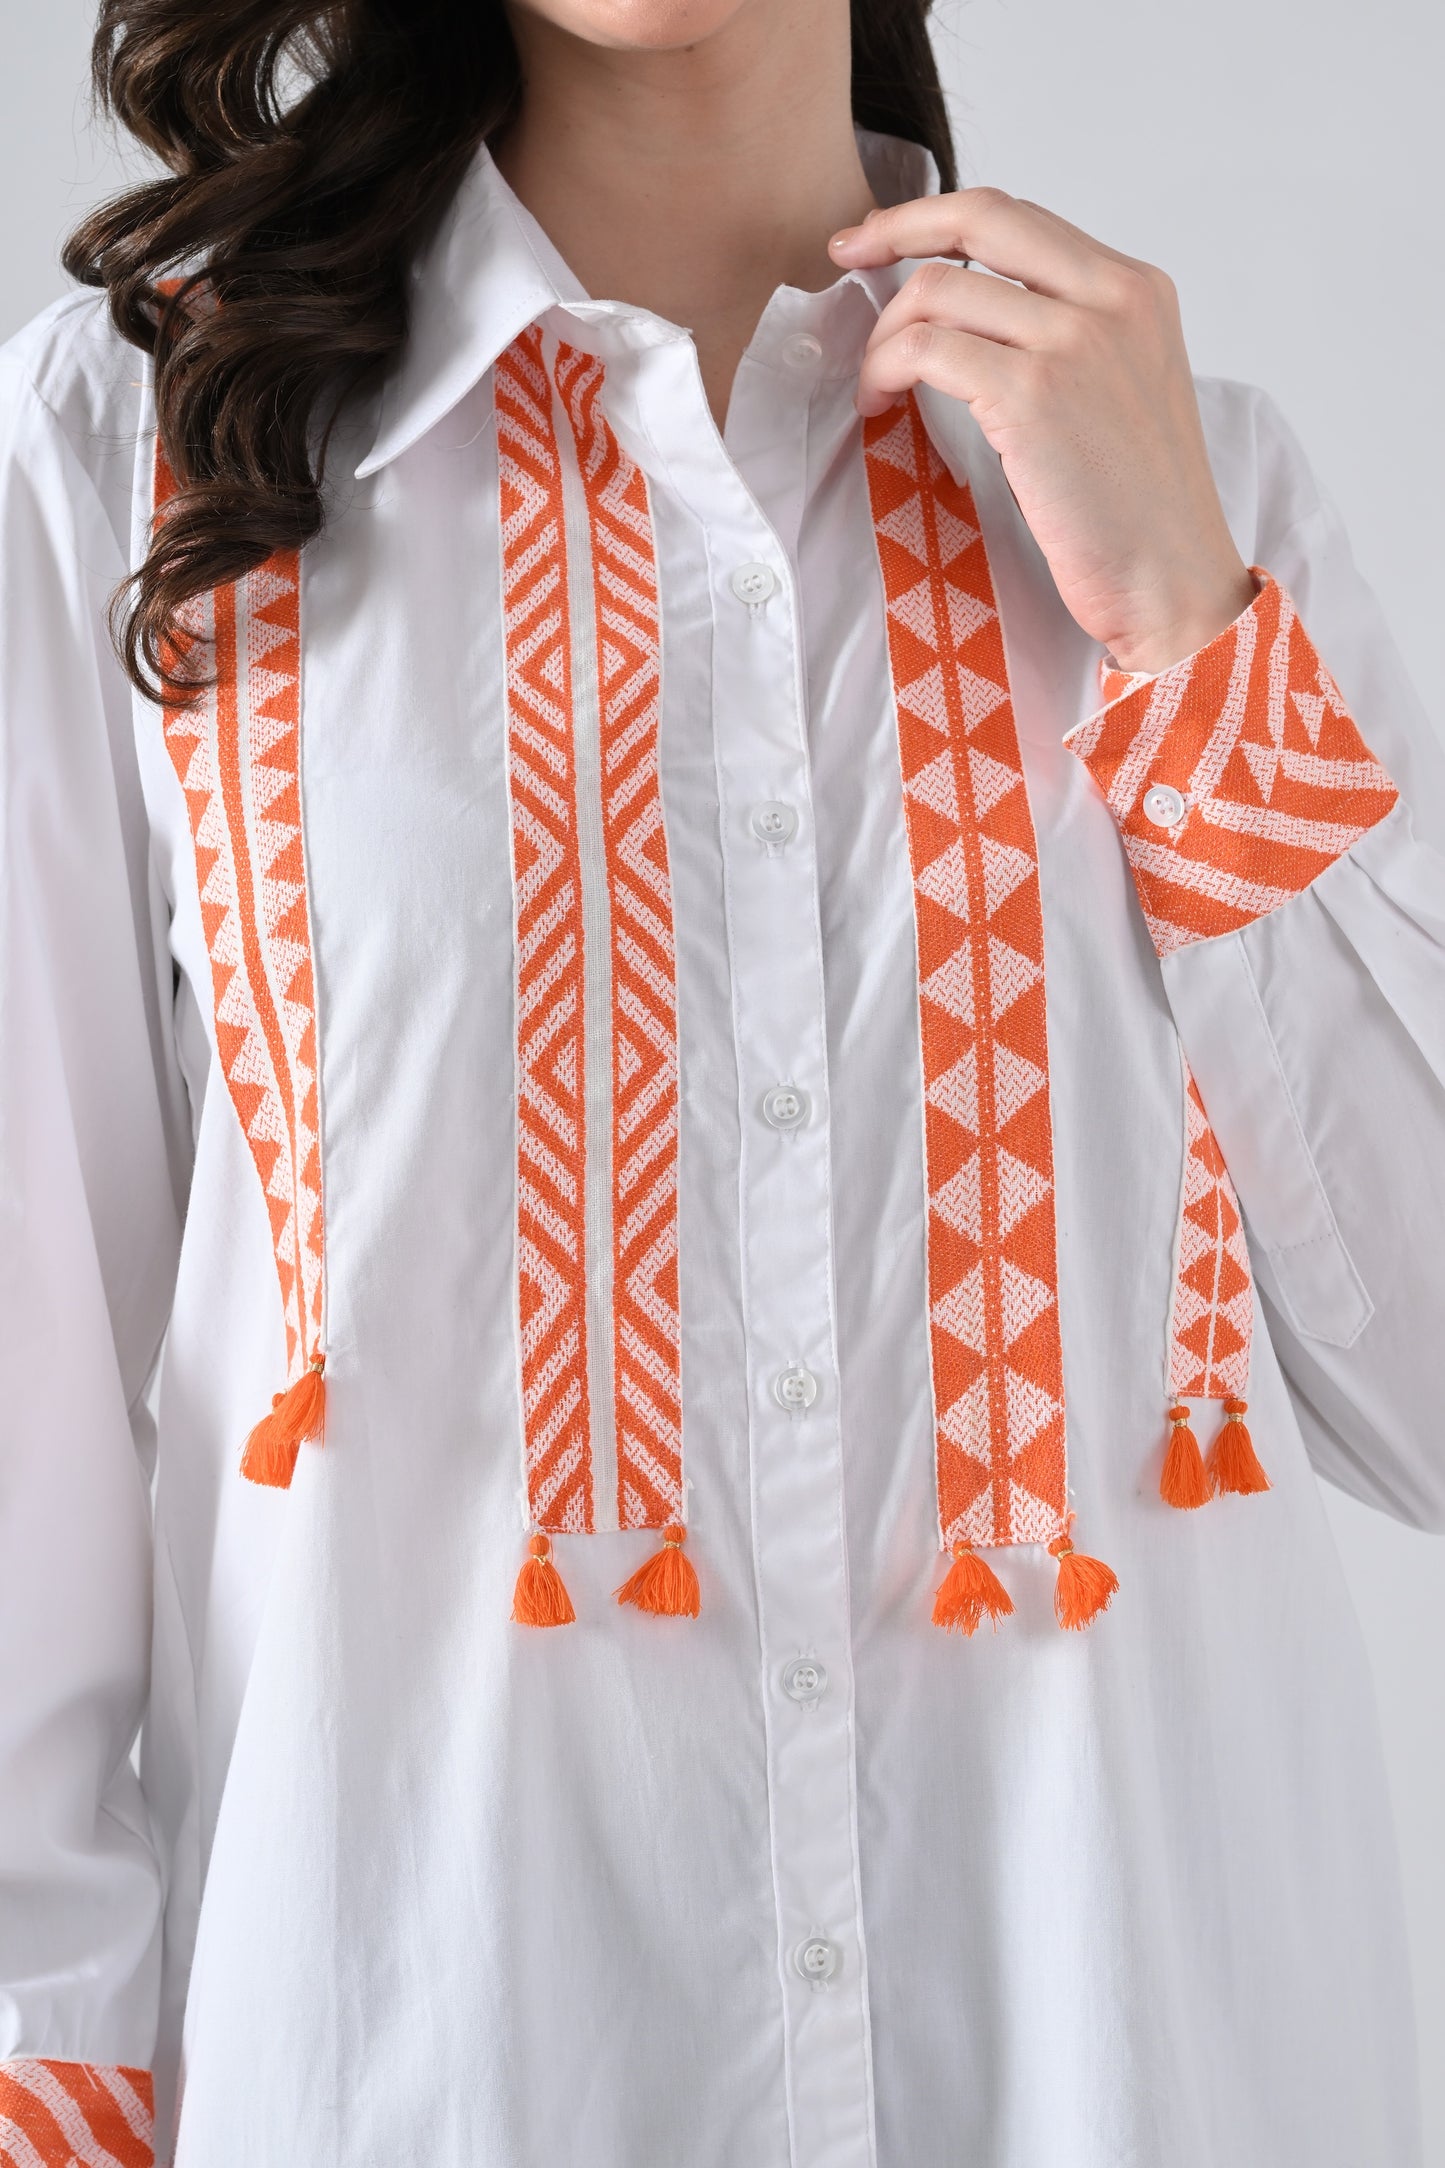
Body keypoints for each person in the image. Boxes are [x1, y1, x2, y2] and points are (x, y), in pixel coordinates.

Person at [1, 0, 1441, 2162]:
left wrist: (1187, 636)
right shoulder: (144, 459)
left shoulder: (1184, 476)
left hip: (1137, 2073)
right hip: (445, 2071)